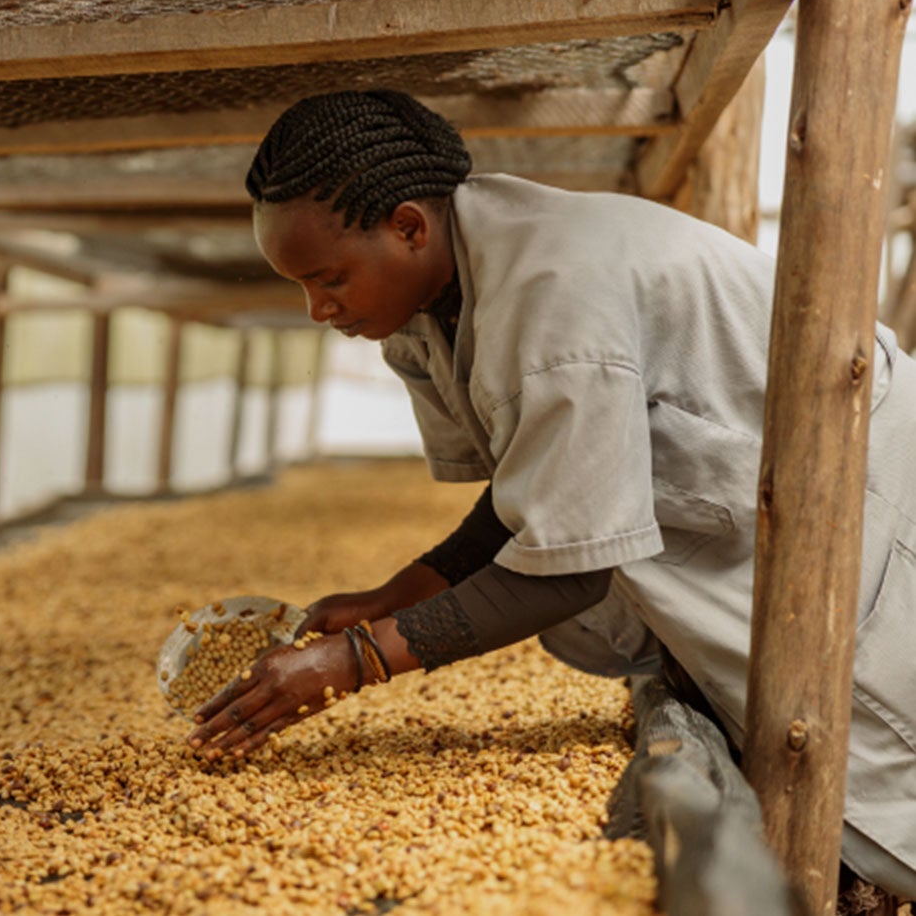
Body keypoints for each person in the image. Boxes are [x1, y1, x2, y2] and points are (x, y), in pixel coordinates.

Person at [185, 89, 916, 904]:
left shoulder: (554, 294)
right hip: (762, 528)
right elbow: (532, 482)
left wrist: (354, 661)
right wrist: (403, 591)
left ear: (409, 227)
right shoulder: (429, 304)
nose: (318, 309)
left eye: (328, 280)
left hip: (867, 509)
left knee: (878, 772)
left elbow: (568, 572)